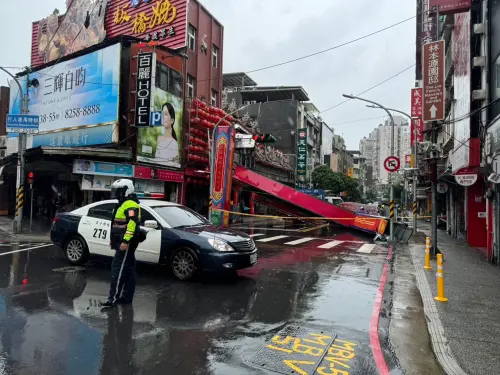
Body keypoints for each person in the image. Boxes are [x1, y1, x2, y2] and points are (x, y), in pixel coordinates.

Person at [101, 179, 141, 308]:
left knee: (117, 269)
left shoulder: (130, 204)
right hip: (122, 241)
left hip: (126, 243)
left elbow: (132, 224)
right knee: (129, 270)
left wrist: (125, 241)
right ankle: (126, 297)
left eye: (118, 190)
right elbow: (118, 224)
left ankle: (112, 299)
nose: (116, 193)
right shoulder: (123, 203)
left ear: (126, 190)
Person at [154, 102, 179, 167]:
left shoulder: (174, 143)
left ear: (172, 120)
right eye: (162, 114)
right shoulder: (159, 138)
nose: (163, 116)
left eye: (166, 114)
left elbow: (176, 165)